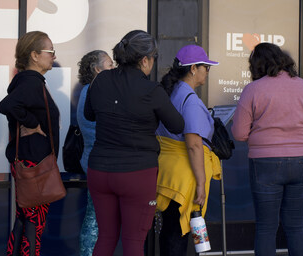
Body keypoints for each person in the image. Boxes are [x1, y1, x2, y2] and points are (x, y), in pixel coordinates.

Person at [84, 30, 185, 256]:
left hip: (100, 171)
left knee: (106, 237)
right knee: (133, 242)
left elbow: (89, 114)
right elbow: (177, 125)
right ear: (144, 60)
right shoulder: (152, 90)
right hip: (136, 174)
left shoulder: (101, 80)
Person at [231, 42, 303, 256]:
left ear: (257, 66)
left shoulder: (253, 90)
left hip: (265, 163)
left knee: (266, 227)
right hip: (302, 161)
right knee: (295, 225)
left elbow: (238, 133)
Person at [156, 45, 222, 256]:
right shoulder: (190, 100)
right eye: (206, 67)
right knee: (179, 232)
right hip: (185, 177)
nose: (207, 72)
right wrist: (201, 183)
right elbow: (194, 144)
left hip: (168, 174)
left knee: (170, 229)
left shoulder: (173, 92)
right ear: (194, 68)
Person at [0, 31, 59, 256]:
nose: (54, 56)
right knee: (34, 223)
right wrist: (33, 123)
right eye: (50, 51)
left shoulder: (28, 82)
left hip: (31, 162)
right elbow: (7, 105)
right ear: (34, 55)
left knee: (25, 220)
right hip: (35, 165)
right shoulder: (31, 83)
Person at [76, 50, 114, 256]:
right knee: (95, 219)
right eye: (109, 65)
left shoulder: (86, 91)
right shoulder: (98, 92)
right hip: (100, 163)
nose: (114, 68)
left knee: (95, 217)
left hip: (92, 162)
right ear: (97, 69)